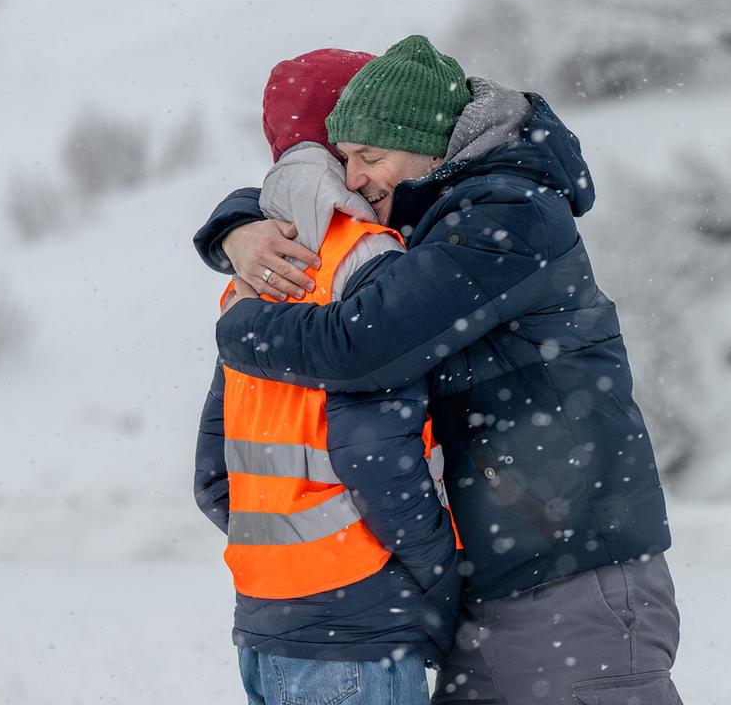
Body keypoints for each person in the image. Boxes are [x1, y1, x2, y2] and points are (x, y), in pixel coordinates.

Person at [197, 35, 683, 705]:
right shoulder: (434, 222)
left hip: (575, 583)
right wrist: (237, 225)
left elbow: (362, 345)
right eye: (346, 161)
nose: (358, 178)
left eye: (370, 158)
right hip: (495, 592)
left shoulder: (508, 214)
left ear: (431, 146)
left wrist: (240, 324)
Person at [193, 48, 460, 705]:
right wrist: (439, 574)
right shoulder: (367, 258)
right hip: (357, 622)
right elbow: (378, 451)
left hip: (266, 617)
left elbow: (212, 477)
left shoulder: (256, 270)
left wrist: (285, 552)